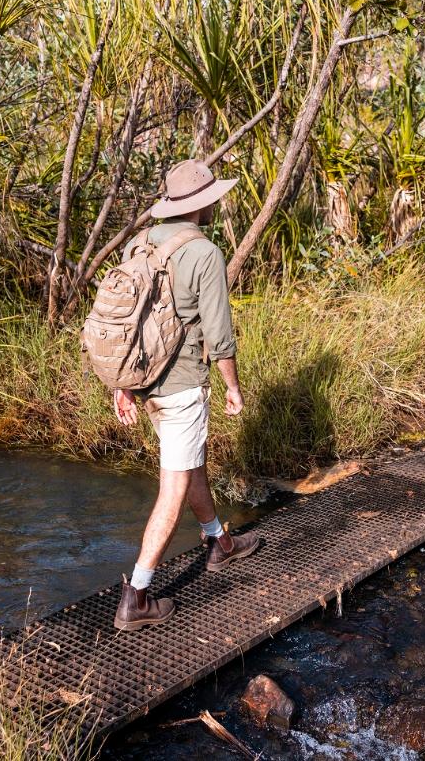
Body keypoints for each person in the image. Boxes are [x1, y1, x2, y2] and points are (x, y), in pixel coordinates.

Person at [111, 159, 260, 630]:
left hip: (144, 385)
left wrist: (123, 385)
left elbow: (123, 322)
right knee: (172, 489)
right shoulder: (204, 253)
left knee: (190, 463)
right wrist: (233, 387)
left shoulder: (139, 244)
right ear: (203, 204)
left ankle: (219, 542)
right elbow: (220, 337)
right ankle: (136, 595)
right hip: (181, 392)